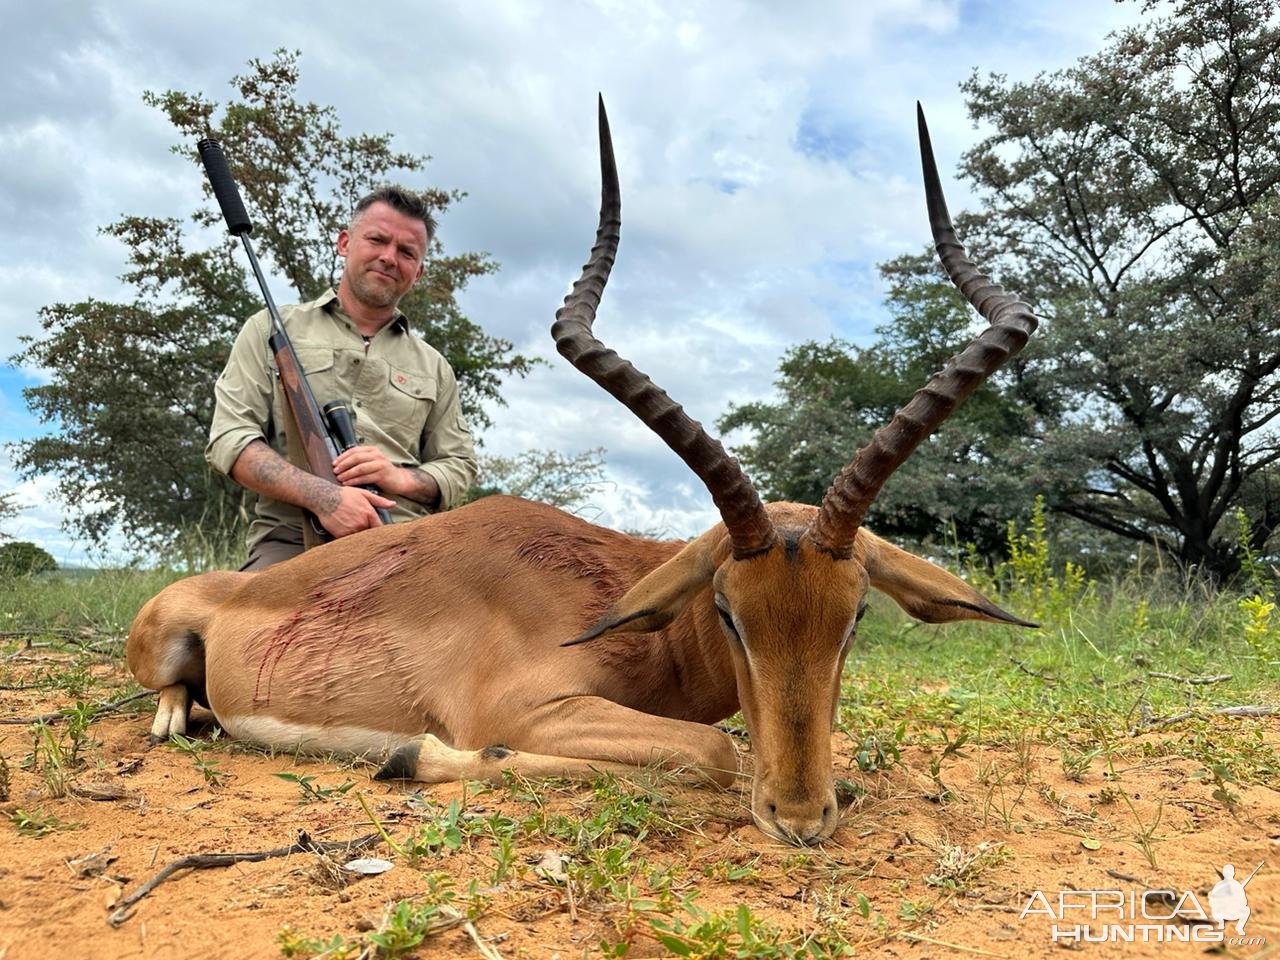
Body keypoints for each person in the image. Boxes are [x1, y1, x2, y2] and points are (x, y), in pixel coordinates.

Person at [206, 186, 478, 571]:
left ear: (418, 273)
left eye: (406, 253)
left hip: (403, 549)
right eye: (377, 240)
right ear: (345, 242)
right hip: (293, 542)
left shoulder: (435, 367)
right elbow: (230, 440)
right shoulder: (270, 328)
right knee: (251, 629)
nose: (388, 257)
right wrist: (324, 498)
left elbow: (458, 465)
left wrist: (397, 478)